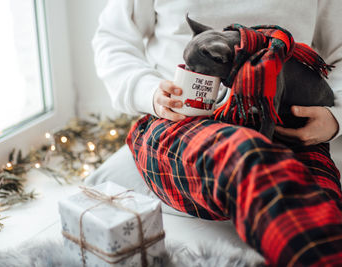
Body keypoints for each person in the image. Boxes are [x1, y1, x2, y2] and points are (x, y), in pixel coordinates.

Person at [92, 0, 342, 265]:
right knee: (246, 157)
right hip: (181, 124)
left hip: (291, 131)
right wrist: (149, 92)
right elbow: (114, 38)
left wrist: (336, 117)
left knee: (317, 216)